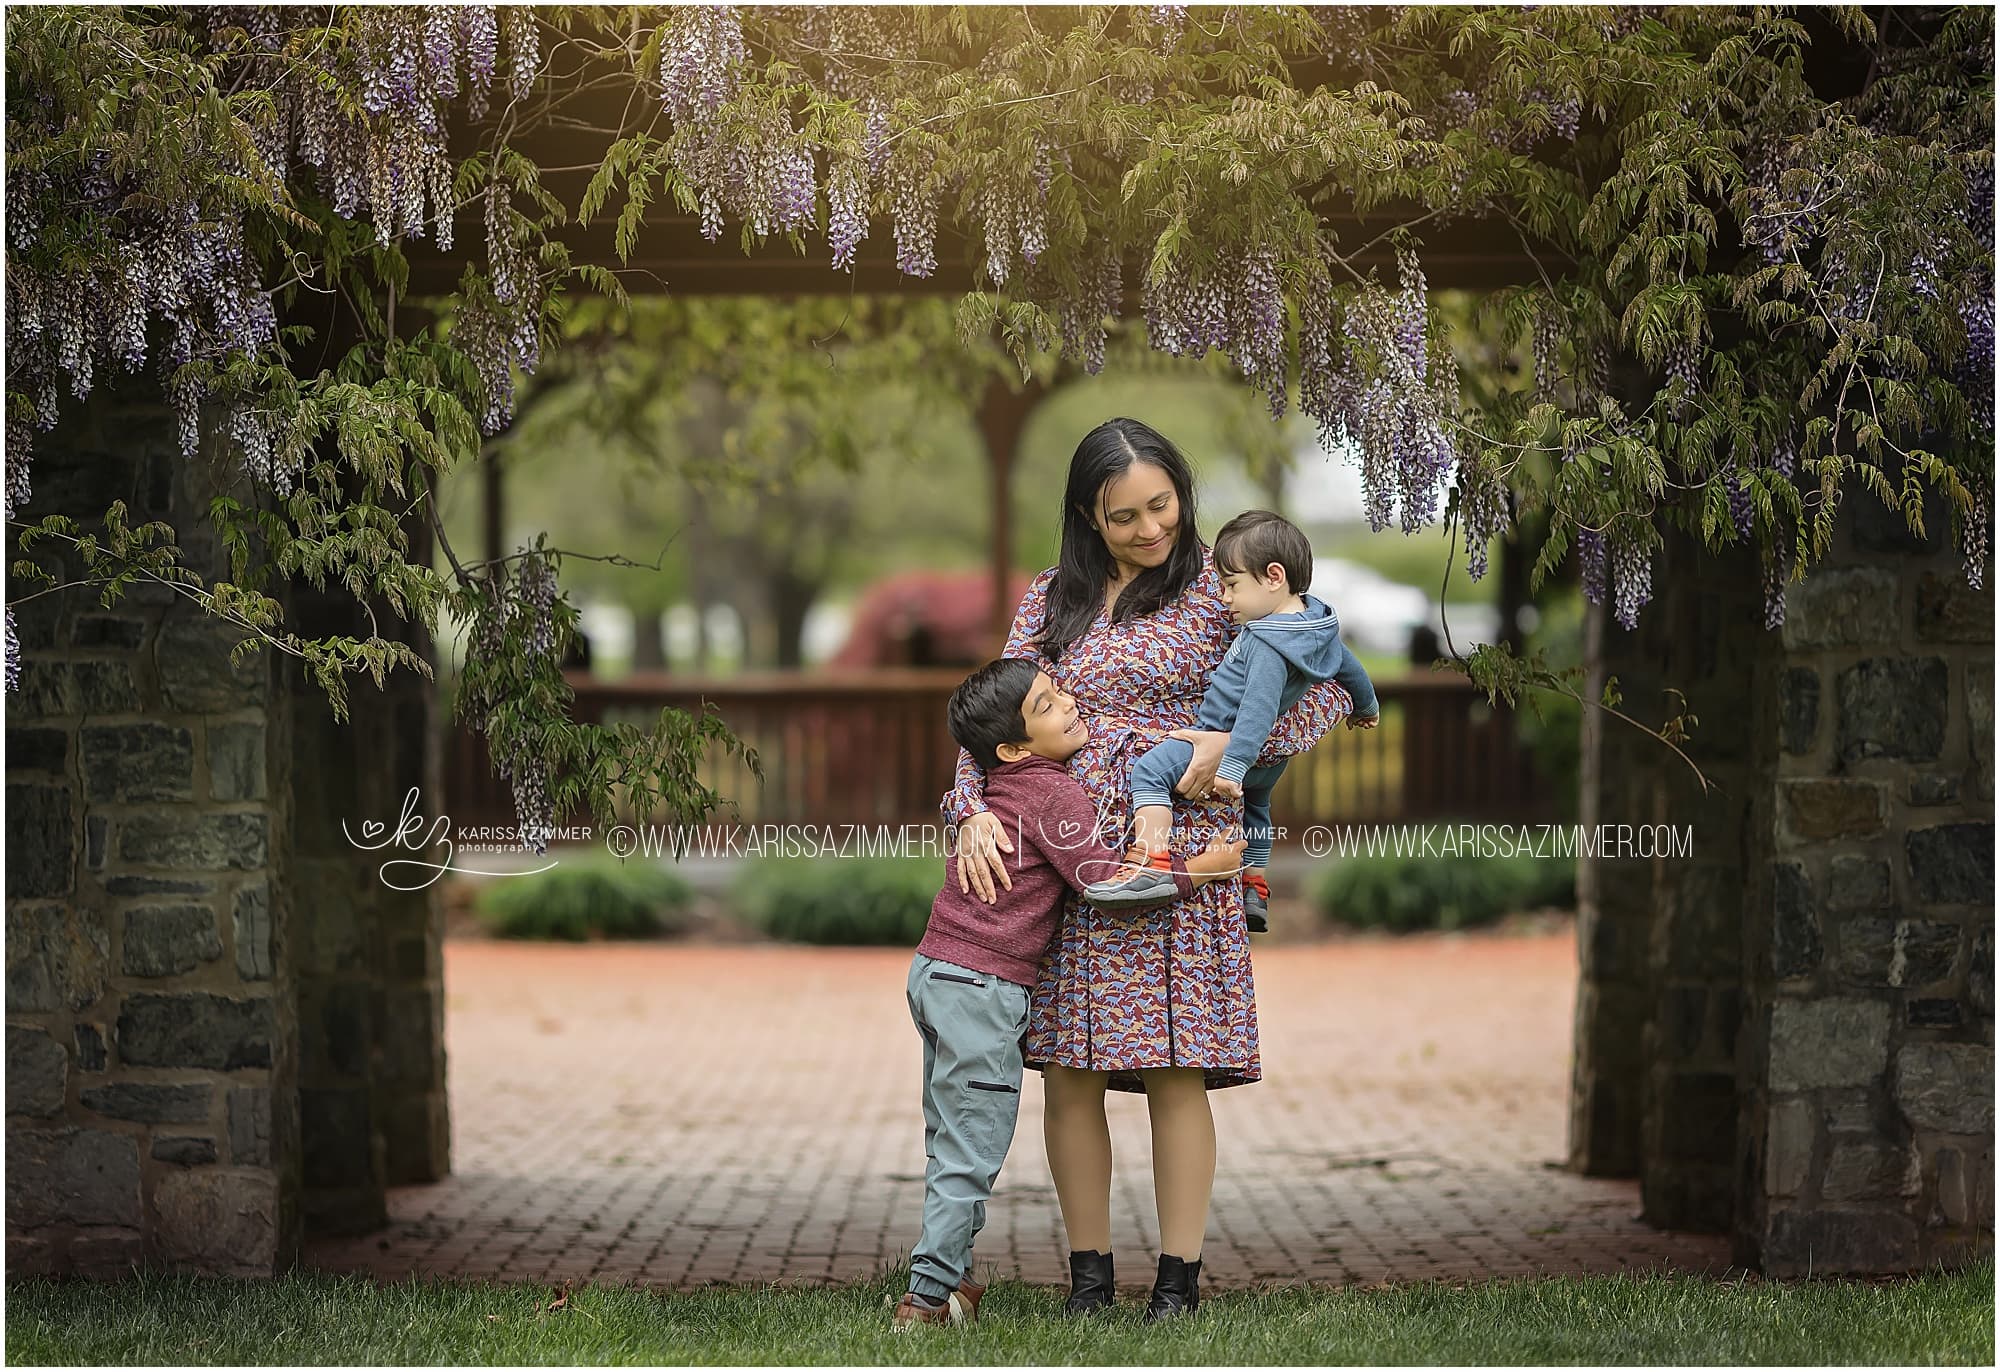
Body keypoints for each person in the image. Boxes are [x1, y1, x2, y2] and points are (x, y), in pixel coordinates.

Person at [942, 417, 1354, 1321]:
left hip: (1181, 854)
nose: (1149, 528)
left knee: (1177, 1069)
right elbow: (992, 718)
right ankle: (1089, 1281)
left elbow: (1323, 680)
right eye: (1123, 514)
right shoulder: (1053, 599)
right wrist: (970, 810)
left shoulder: (1224, 585)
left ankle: (1179, 1283)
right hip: (1071, 860)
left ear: (1182, 492)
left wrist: (1232, 749)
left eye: (1161, 504)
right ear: (1089, 516)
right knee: (1071, 1071)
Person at [896, 657, 1245, 1329]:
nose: (1069, 704)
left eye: (1059, 692)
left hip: (938, 972)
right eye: (1049, 704)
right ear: (1014, 746)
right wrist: (1200, 870)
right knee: (972, 1146)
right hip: (983, 986)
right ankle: (926, 1298)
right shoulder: (1051, 792)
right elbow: (1105, 887)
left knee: (951, 1135)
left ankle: (956, 1279)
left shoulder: (1001, 783)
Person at [1080, 509, 1379, 932]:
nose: (1224, 598)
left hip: (1220, 747)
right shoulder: (1318, 625)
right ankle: (1254, 884)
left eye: (1232, 585)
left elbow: (1257, 708)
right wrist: (1367, 707)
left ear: (1274, 576)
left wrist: (1233, 764)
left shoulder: (1266, 641)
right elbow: (1349, 669)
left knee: (1148, 772)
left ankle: (1150, 859)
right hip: (1270, 765)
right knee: (1257, 808)